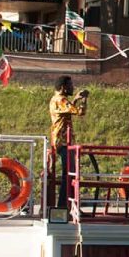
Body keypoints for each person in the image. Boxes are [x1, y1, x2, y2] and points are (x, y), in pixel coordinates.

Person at [47, 76, 88, 205]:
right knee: (69, 174)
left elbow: (67, 111)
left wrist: (75, 99)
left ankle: (66, 204)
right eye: (70, 85)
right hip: (63, 141)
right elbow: (80, 112)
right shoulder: (61, 100)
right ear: (63, 87)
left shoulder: (56, 99)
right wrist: (84, 100)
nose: (72, 87)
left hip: (60, 140)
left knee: (69, 173)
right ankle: (63, 205)